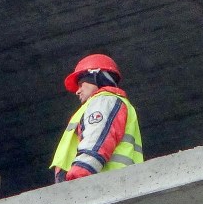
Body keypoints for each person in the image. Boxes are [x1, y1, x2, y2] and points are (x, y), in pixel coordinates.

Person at [50, 53, 142, 182]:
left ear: (96, 77)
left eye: (81, 84)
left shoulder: (105, 100)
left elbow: (97, 137)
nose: (77, 91)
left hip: (101, 184)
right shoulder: (107, 102)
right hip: (112, 183)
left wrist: (79, 175)